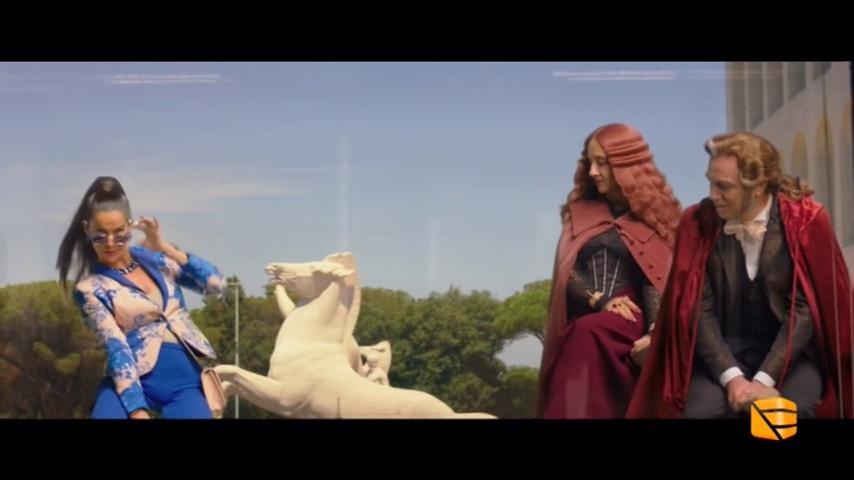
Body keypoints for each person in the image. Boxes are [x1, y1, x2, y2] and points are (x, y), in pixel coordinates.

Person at [628, 132, 853, 419]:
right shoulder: (698, 223)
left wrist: (763, 381)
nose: (713, 195)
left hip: (791, 357)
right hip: (723, 355)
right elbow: (699, 309)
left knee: (787, 416)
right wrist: (732, 378)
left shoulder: (804, 221)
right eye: (710, 182)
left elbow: (803, 312)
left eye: (723, 187)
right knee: (700, 415)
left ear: (758, 187)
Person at [537, 123, 682, 418]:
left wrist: (654, 332)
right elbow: (568, 272)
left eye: (602, 163)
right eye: (590, 162)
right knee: (584, 331)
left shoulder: (654, 216)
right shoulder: (581, 213)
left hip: (633, 315)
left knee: (588, 332)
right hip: (588, 312)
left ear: (626, 164)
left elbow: (654, 278)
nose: (593, 171)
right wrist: (600, 300)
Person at [57, 176, 225, 419]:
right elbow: (116, 346)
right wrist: (137, 410)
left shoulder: (158, 261)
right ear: (87, 230)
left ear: (129, 226)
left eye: (119, 234)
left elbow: (215, 284)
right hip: (131, 380)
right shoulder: (90, 289)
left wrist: (164, 247)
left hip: (184, 381)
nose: (110, 243)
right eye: (100, 236)